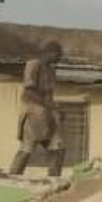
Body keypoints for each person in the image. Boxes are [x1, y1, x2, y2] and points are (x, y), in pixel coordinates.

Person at [8, 41, 64, 176]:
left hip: (47, 117)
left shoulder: (51, 71)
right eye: (59, 55)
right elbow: (29, 92)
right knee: (26, 150)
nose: (60, 58)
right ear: (51, 53)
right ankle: (12, 178)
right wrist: (50, 106)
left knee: (58, 149)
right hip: (32, 114)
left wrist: (56, 112)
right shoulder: (33, 65)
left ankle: (53, 181)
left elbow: (49, 96)